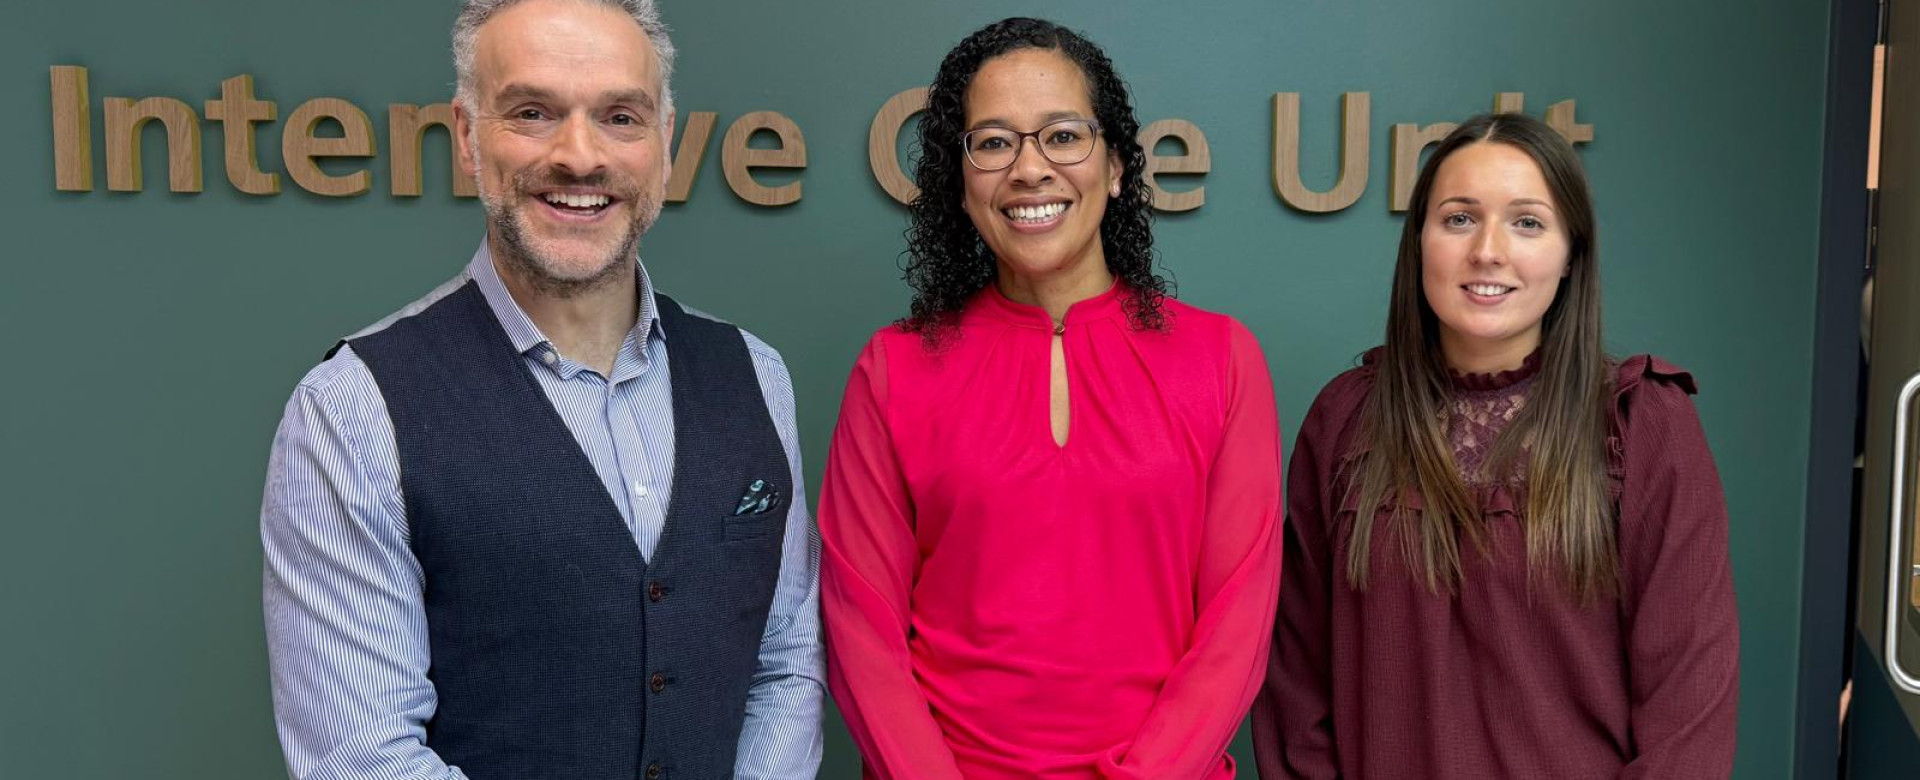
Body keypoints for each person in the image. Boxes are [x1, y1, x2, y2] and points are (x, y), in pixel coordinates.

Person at [259, 1, 822, 778]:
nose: (580, 156)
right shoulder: (352, 411)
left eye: (621, 116)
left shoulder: (755, 375)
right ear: (466, 136)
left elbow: (786, 661)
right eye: (533, 112)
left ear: (664, 143)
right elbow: (362, 758)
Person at [819, 17, 1283, 780]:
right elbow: (860, 629)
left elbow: (1238, 622)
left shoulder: (1222, 359)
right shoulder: (893, 369)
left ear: (1115, 167)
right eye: (994, 143)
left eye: (1062, 136)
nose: (1030, 170)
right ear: (961, 185)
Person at [1251, 113, 1739, 778]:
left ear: (1572, 254)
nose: (1488, 249)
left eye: (1527, 222)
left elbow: (1689, 705)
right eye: (1459, 218)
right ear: (1420, 239)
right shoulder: (1345, 420)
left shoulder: (1643, 423)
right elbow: (1295, 687)